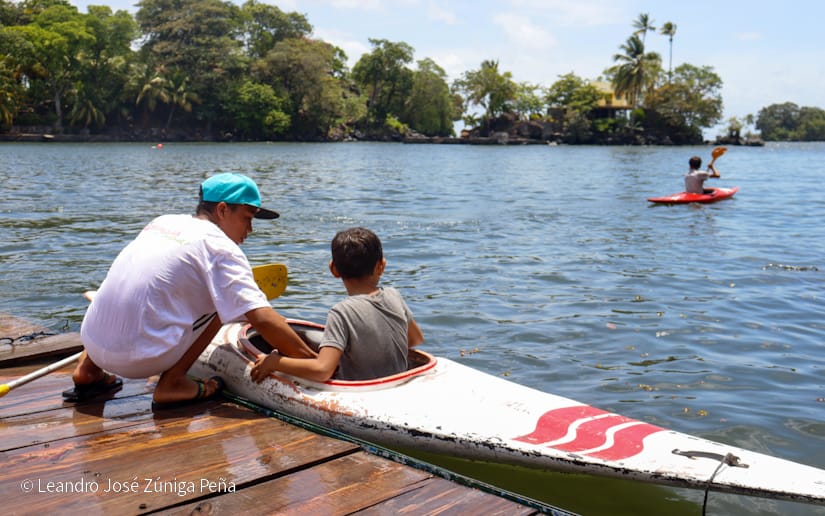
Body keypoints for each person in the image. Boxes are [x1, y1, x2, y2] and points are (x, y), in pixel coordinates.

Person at [63, 172, 316, 409]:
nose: (249, 230)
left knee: (128, 284)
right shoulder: (221, 247)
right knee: (222, 304)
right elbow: (262, 319)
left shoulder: (162, 222)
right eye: (247, 219)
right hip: (140, 361)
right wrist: (313, 361)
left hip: (93, 340)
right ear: (222, 210)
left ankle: (87, 371)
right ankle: (173, 382)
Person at [250, 227, 424, 383]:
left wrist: (275, 363)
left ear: (333, 269)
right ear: (381, 266)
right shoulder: (394, 295)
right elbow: (415, 339)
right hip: (397, 384)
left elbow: (322, 371)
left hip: (361, 393)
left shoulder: (341, 312)